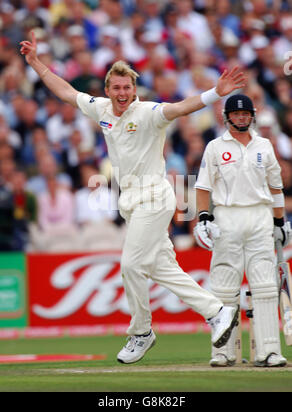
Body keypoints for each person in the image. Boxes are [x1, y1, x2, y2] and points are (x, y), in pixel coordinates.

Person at [20, 31, 246, 364]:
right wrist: (37, 63)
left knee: (130, 265)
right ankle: (216, 312)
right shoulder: (102, 110)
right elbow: (66, 92)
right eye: (116, 88)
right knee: (160, 267)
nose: (122, 93)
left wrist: (215, 93)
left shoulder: (149, 113)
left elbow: (182, 107)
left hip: (155, 198)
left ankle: (141, 331)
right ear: (108, 90)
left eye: (127, 88)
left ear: (134, 90)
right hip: (130, 203)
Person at [194, 94, 291, 367]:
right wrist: (203, 217)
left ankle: (269, 351)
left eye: (246, 114)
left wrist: (280, 222)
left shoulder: (265, 146)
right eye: (237, 115)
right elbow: (203, 187)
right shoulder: (214, 147)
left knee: (265, 286)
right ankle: (223, 352)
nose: (241, 118)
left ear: (253, 116)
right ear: (227, 117)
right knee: (225, 287)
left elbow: (275, 188)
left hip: (260, 217)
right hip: (227, 217)